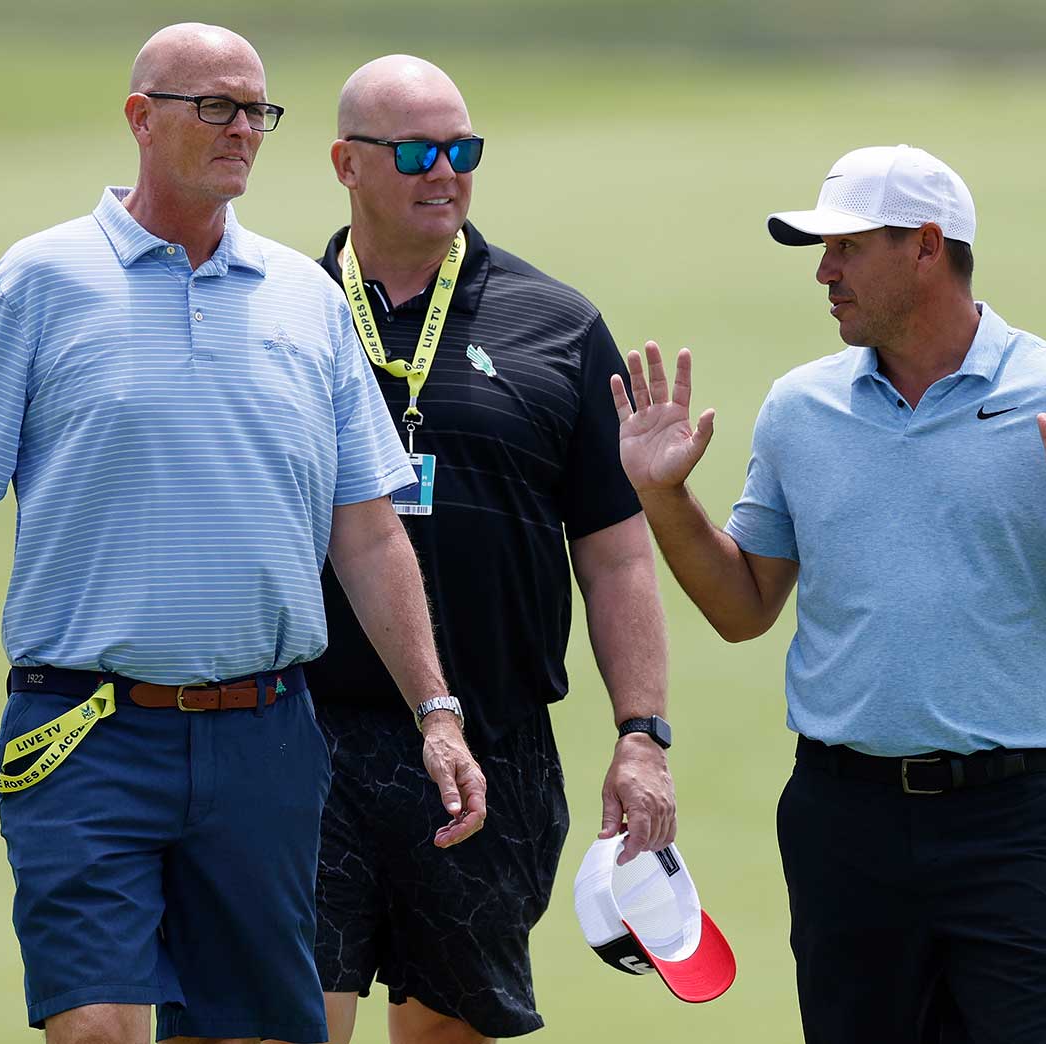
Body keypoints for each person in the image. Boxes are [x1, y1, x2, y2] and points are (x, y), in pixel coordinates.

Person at [0, 25, 487, 1044]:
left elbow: (366, 535)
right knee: (95, 1029)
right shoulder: (39, 280)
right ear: (141, 118)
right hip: (83, 729)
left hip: (265, 738)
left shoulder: (305, 299)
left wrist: (436, 712)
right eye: (215, 107)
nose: (242, 130)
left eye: (257, 112)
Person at [612, 144, 1046, 1043]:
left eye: (846, 248)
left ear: (925, 245)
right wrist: (663, 496)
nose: (824, 273)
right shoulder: (800, 408)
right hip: (844, 823)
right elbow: (743, 606)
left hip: (1010, 824)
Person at [302, 55, 676, 1044]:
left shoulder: (557, 324)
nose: (444, 172)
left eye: (462, 150)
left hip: (491, 742)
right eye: (415, 152)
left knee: (446, 1032)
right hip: (302, 731)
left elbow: (616, 555)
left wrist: (641, 732)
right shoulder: (282, 310)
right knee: (292, 1018)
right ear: (345, 163)